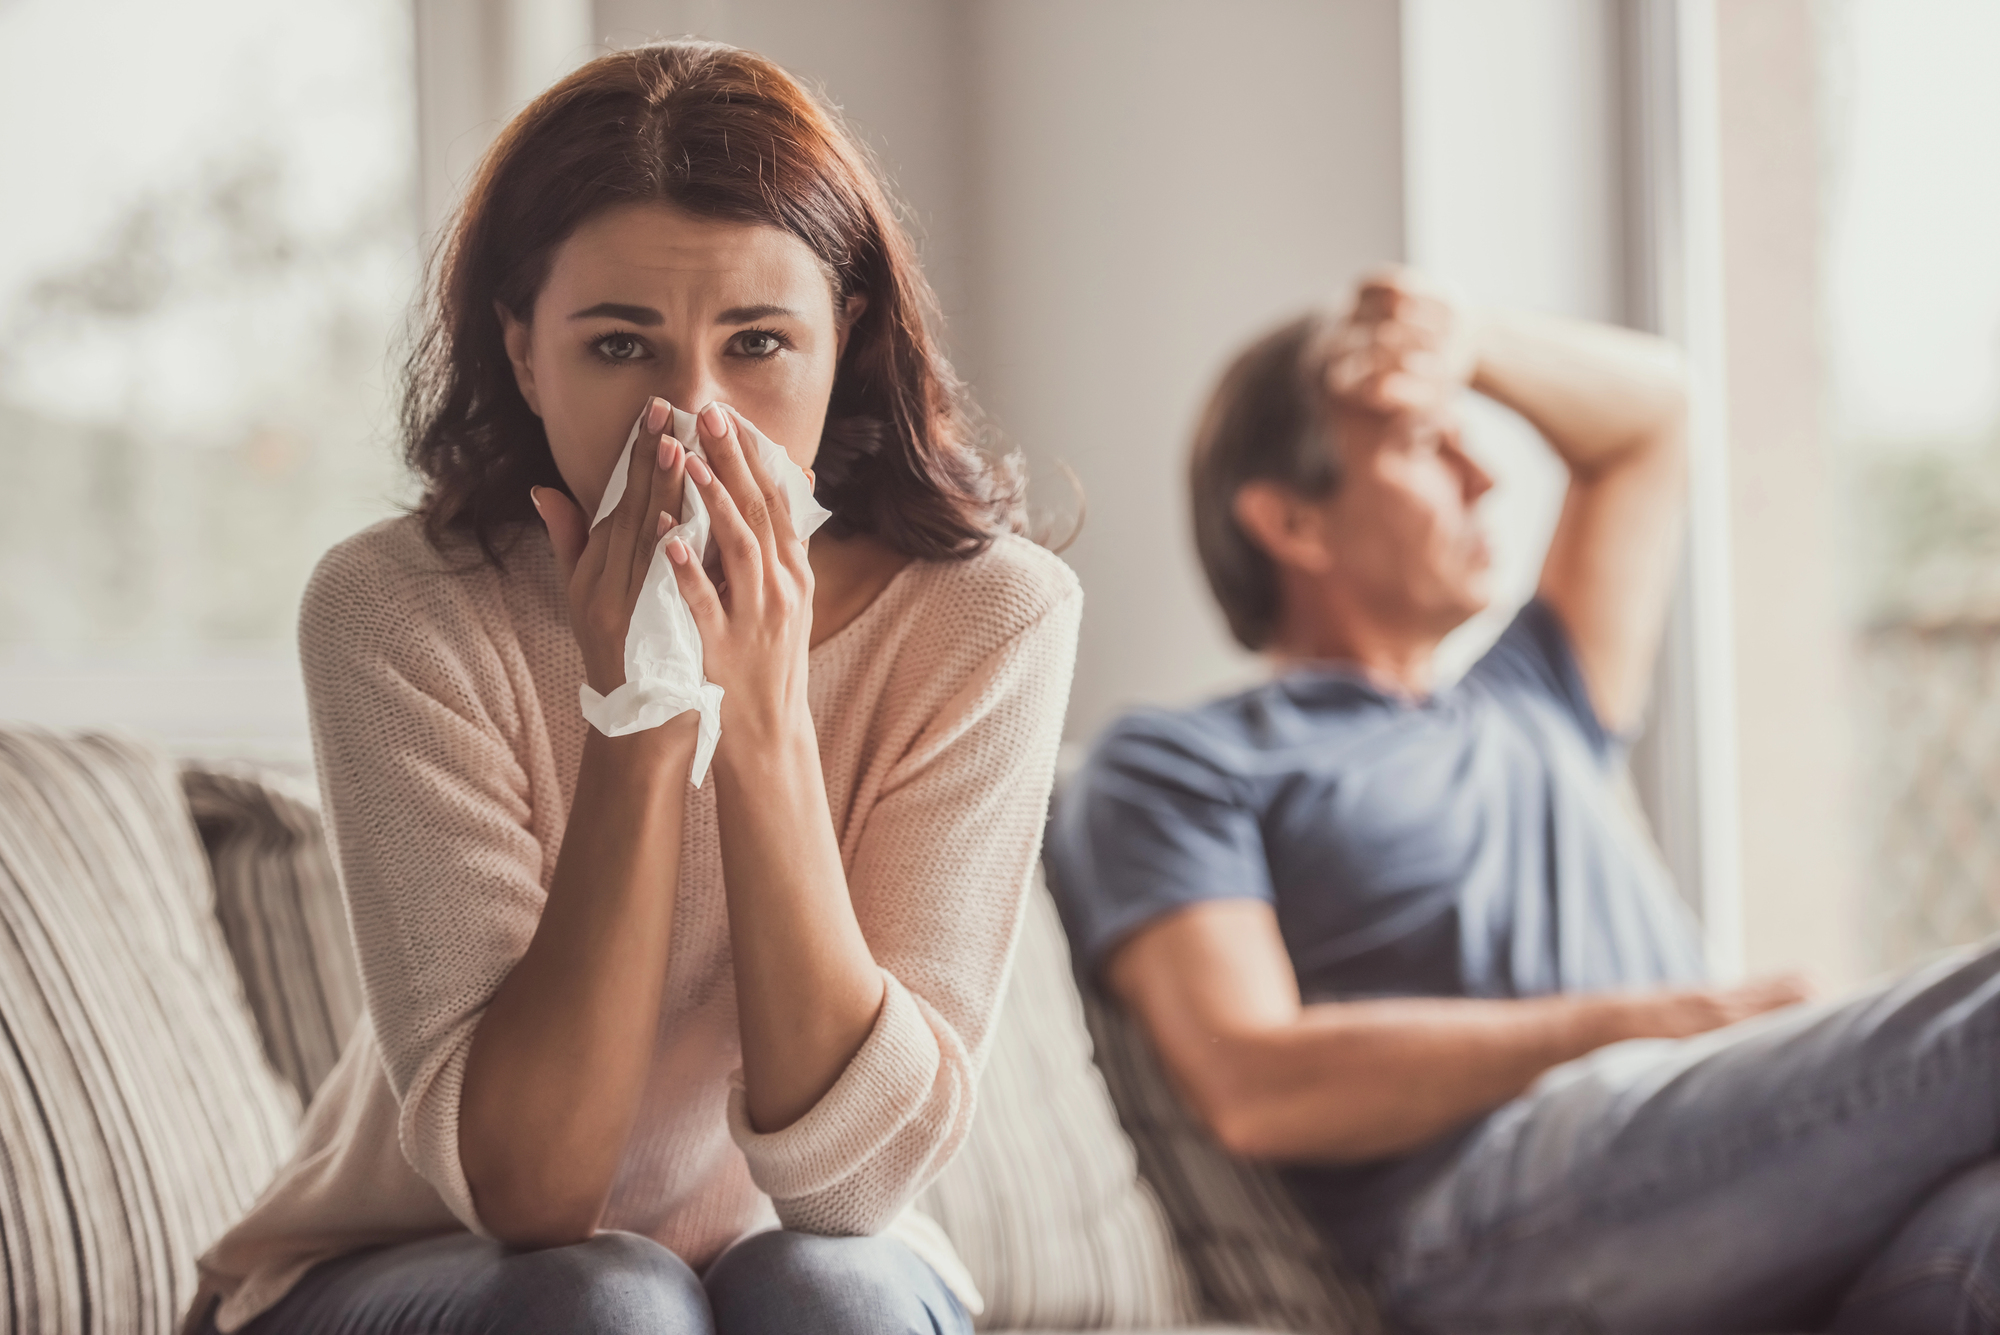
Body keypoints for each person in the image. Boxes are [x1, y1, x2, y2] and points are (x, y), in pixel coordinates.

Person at [186, 41, 1081, 1335]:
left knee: (837, 1290)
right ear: (524, 352)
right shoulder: (403, 606)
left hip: (786, 1255)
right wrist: (643, 710)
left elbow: (856, 1181)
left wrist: (765, 715)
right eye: (619, 344)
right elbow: (536, 1190)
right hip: (416, 1260)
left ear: (848, 343)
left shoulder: (986, 614)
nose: (691, 415)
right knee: (607, 1298)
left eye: (760, 341)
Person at [1044, 270, 2000, 1334]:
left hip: (1726, 1176)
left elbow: (1651, 418)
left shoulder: (1537, 693)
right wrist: (1647, 1022)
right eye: (1422, 445)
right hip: (1488, 1216)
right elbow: (1255, 1080)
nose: (1484, 475)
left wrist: (1470, 342)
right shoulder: (1179, 763)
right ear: (1289, 521)